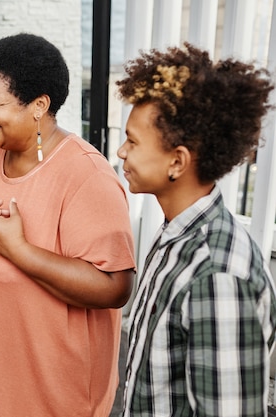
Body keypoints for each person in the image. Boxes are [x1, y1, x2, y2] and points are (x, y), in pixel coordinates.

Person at [0, 33, 136, 417]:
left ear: (39, 106)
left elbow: (115, 287)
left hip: (54, 388)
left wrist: (19, 251)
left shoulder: (86, 175)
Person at [117, 43, 276, 416]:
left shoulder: (217, 275)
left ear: (177, 161)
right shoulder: (177, 235)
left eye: (134, 141)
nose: (122, 152)